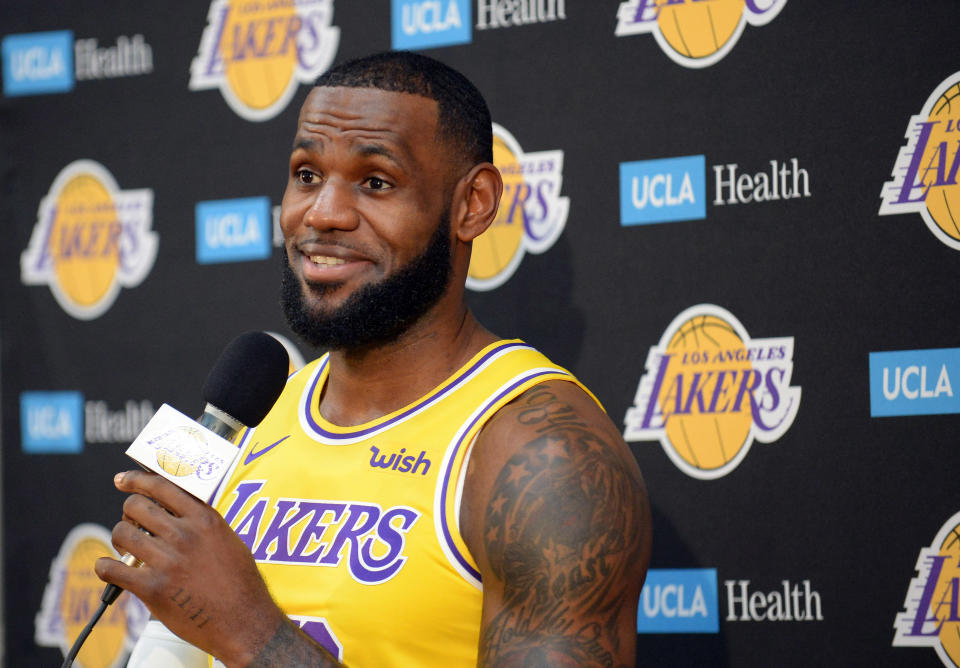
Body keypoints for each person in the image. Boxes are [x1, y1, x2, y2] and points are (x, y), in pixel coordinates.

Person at [96, 51, 651, 667]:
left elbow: (237, 631)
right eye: (307, 175)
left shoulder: (544, 457)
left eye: (376, 182)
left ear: (473, 204)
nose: (323, 213)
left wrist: (254, 635)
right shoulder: (250, 415)